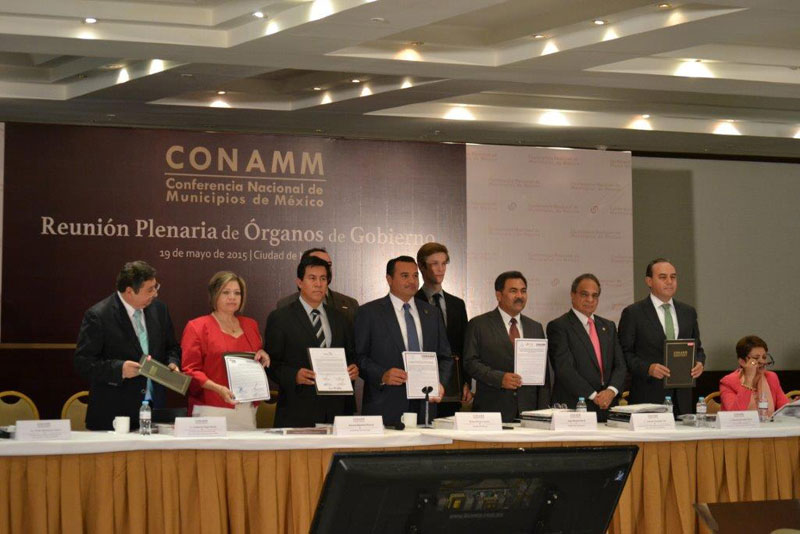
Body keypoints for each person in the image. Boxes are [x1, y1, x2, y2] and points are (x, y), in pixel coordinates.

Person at [74, 260, 181, 430]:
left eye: (155, 287)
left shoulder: (160, 310)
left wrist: (172, 362)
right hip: (114, 414)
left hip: (154, 411)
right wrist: (120, 369)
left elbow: (172, 347)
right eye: (149, 290)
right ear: (130, 291)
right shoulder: (99, 316)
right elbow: (83, 363)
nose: (155, 293)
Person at [355, 255, 452, 425]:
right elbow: (359, 357)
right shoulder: (369, 313)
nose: (412, 281)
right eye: (405, 276)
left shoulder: (432, 313)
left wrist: (441, 383)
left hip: (425, 406)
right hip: (385, 406)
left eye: (415, 276)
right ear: (389, 279)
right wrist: (382, 375)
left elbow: (445, 357)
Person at [265, 255, 358, 427]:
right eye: (312, 278)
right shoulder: (281, 318)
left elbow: (350, 355)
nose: (318, 284)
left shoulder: (340, 318)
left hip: (337, 411)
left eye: (323, 279)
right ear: (300, 282)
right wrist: (294, 375)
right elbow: (270, 364)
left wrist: (353, 368)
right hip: (297, 411)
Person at [181, 271, 270, 430]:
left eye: (237, 293)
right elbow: (190, 371)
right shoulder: (197, 327)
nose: (232, 297)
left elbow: (255, 359)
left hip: (246, 410)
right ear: (214, 295)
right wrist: (218, 389)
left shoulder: (251, 325)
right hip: (210, 409)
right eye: (226, 292)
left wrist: (262, 355)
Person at [618, 258, 706, 415]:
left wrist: (699, 362)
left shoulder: (688, 312)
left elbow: (697, 348)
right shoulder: (633, 313)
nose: (669, 282)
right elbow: (624, 354)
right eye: (663, 277)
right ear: (649, 281)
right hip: (648, 397)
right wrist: (648, 368)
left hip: (682, 399)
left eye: (673, 277)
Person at [463, 271, 549, 422]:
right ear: (499, 295)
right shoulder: (479, 325)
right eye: (513, 291)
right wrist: (499, 379)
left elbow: (544, 373)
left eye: (523, 291)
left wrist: (542, 412)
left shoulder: (535, 327)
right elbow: (470, 363)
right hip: (492, 410)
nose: (520, 296)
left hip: (529, 411)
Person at [547, 274, 626, 421]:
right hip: (575, 407)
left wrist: (610, 391)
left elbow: (620, 365)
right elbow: (564, 369)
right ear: (573, 295)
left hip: (608, 406)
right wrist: (594, 396)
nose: (590, 300)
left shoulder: (608, 326)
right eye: (584, 294)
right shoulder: (559, 326)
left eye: (594, 295)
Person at [415, 242, 471, 417]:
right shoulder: (412, 302)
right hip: (421, 381)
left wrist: (466, 382)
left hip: (453, 386)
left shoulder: (457, 304)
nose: (440, 269)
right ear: (421, 267)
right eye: (434, 263)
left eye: (444, 263)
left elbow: (464, 346)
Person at [276, 247, 359, 325]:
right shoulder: (285, 305)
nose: (324, 268)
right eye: (317, 263)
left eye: (328, 265)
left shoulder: (350, 304)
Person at [720, 335, 788, 415]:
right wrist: (748, 380)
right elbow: (735, 415)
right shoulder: (728, 382)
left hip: (767, 422)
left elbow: (785, 410)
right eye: (756, 358)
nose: (762, 362)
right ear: (742, 362)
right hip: (740, 423)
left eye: (764, 357)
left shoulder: (771, 377)